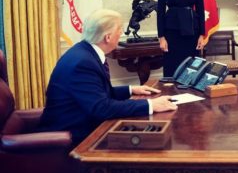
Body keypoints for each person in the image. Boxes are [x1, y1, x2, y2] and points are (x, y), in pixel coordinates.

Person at [38, 9, 178, 145]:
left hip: (83, 125)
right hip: (73, 138)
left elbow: (96, 94)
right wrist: (151, 104)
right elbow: (101, 108)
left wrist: (130, 89)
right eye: (120, 29)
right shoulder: (83, 63)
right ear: (108, 37)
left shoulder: (84, 52)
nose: (122, 32)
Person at [157, 0, 205, 77]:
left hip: (192, 31)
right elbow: (160, 13)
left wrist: (202, 34)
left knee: (192, 67)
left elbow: (200, 9)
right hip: (172, 32)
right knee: (173, 66)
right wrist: (161, 37)